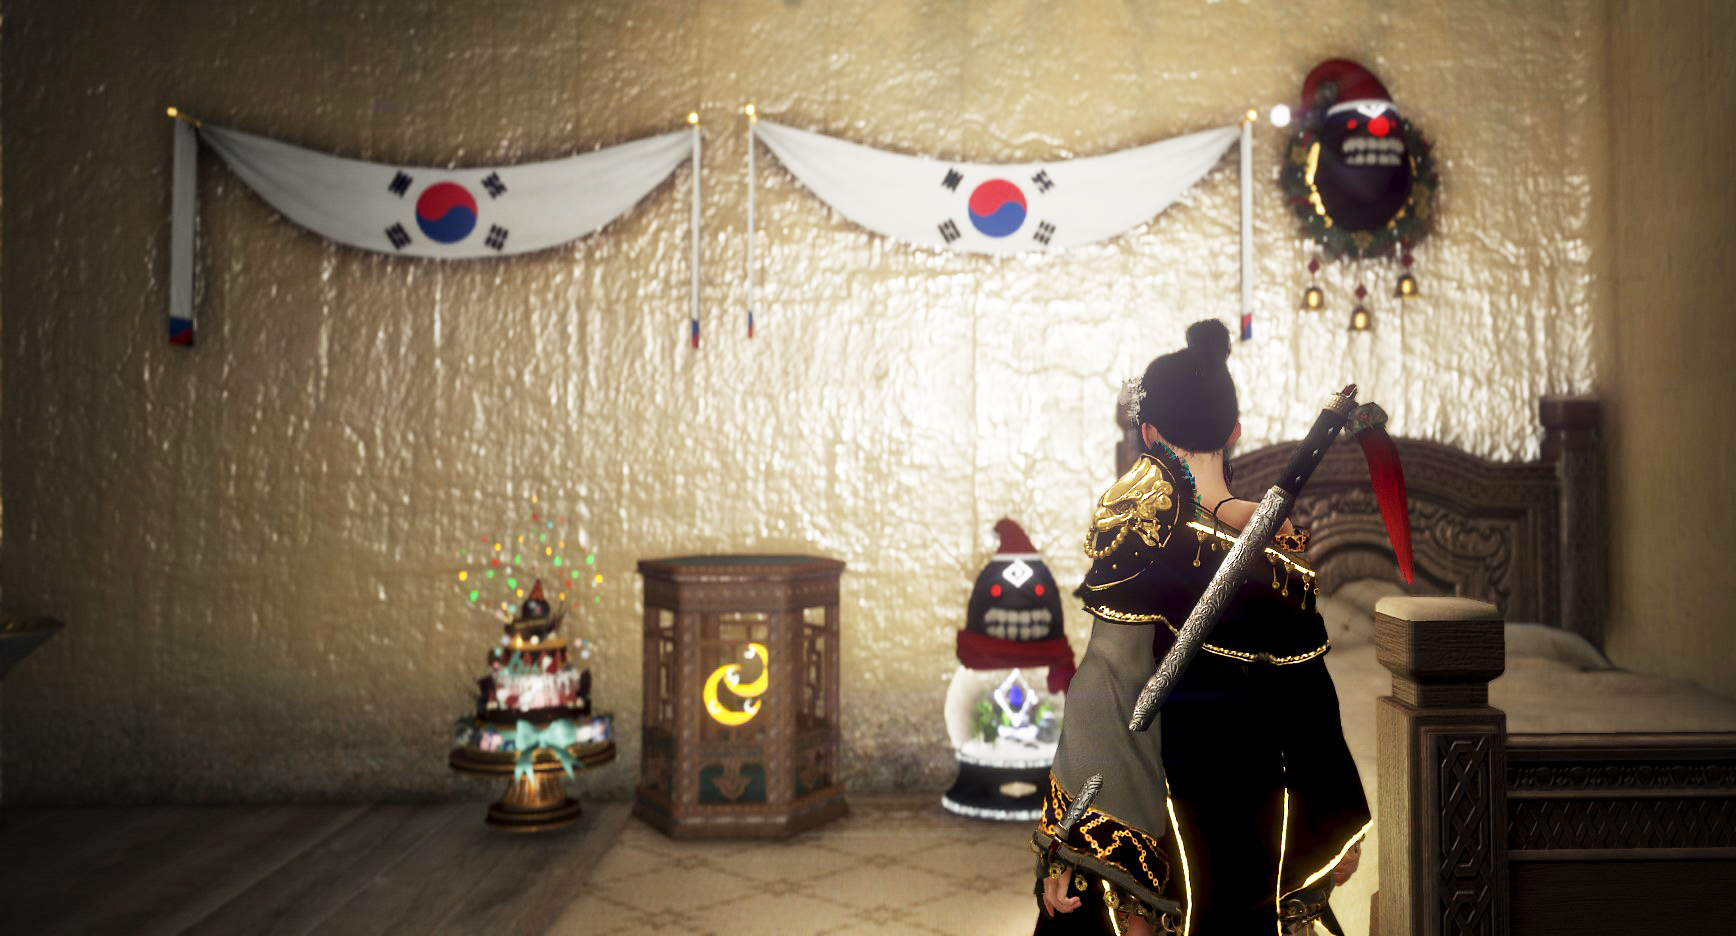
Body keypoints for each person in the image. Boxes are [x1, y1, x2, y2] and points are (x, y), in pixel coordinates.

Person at [1031, 320, 1370, 936]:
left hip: (1158, 808)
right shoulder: (1280, 556)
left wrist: (1071, 839)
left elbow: (1108, 685)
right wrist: (1334, 819)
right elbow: (1311, 702)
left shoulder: (1138, 536)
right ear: (1234, 431)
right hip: (1259, 813)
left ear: (1148, 434)